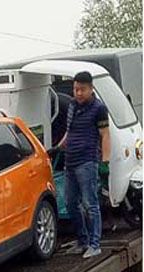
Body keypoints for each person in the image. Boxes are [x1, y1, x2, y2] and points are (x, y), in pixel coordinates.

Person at [59, 71, 111, 259]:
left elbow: (105, 135)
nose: (78, 93)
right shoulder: (72, 105)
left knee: (90, 204)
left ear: (91, 89)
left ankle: (95, 244)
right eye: (76, 89)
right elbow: (69, 130)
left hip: (87, 161)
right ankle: (83, 241)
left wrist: (105, 162)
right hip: (70, 162)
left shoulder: (99, 108)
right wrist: (58, 148)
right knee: (70, 203)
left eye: (82, 89)